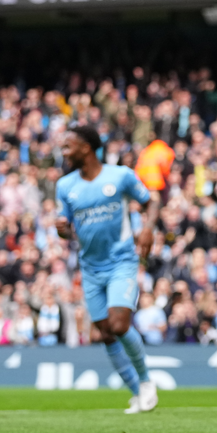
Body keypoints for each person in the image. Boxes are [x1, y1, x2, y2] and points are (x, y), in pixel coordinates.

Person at [55, 125, 160, 414]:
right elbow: (66, 230)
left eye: (68, 147)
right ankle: (137, 393)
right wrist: (62, 230)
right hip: (90, 268)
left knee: (119, 324)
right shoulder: (65, 186)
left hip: (121, 262)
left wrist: (148, 230)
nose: (64, 152)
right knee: (104, 333)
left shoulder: (120, 176)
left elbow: (150, 202)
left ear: (86, 148)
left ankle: (147, 382)